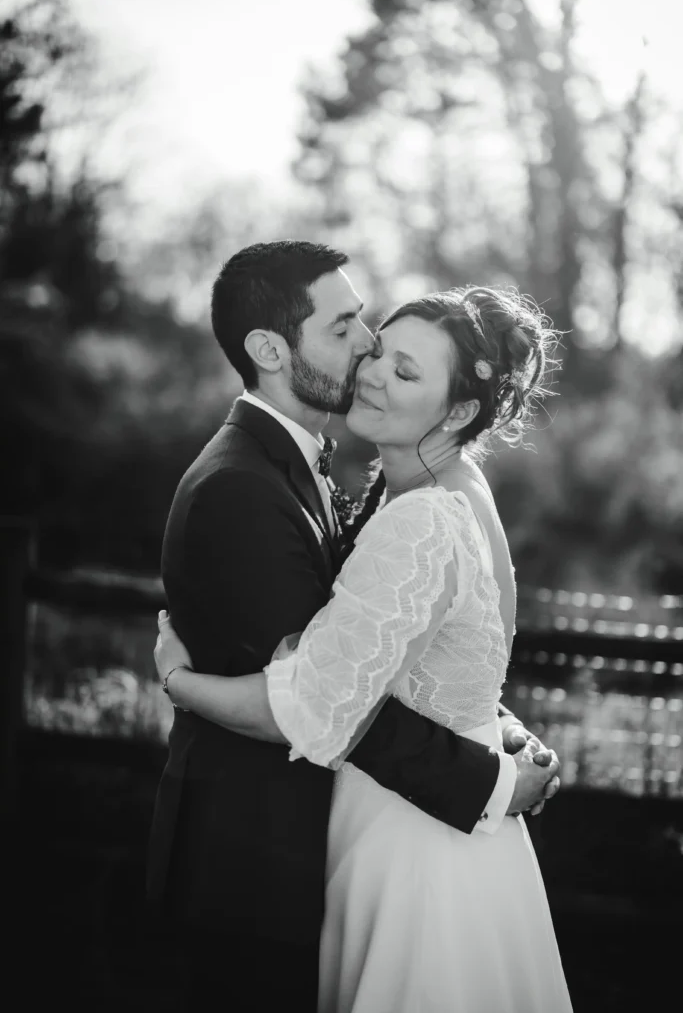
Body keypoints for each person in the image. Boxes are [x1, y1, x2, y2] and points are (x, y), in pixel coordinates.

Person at [146, 241, 560, 1012]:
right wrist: (493, 775)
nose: (367, 352)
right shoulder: (242, 486)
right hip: (249, 867)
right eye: (346, 330)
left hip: (396, 844)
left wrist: (491, 732)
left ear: (458, 409)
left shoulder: (386, 492)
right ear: (269, 349)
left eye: (379, 338)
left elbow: (347, 682)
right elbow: (329, 700)